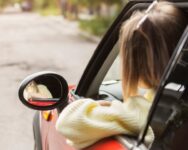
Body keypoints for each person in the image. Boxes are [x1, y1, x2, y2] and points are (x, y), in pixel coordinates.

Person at [56, 1, 188, 150]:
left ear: (134, 63)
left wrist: (98, 105)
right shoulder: (178, 105)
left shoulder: (141, 112)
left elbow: (67, 122)